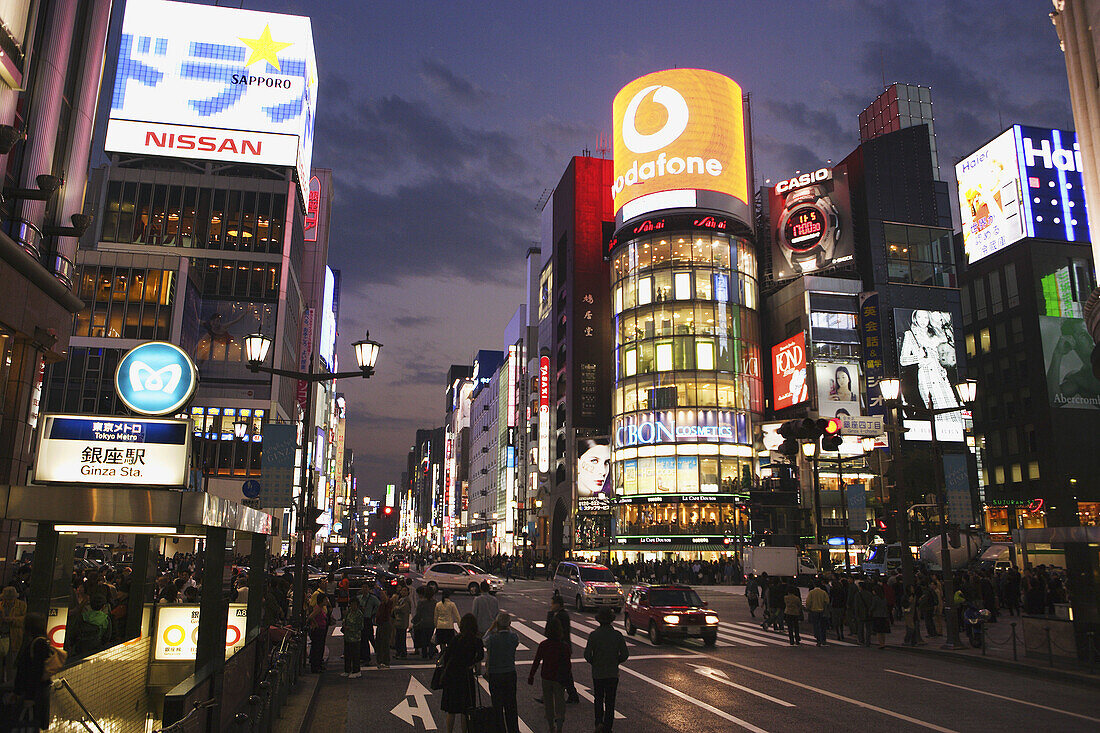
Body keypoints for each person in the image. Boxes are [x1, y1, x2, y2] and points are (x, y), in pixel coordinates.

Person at [584, 606, 629, 733]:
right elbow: (625, 654)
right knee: (610, 701)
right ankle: (608, 726)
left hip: (598, 673)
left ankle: (598, 722)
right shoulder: (617, 635)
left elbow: (587, 655)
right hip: (612, 673)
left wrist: (594, 662)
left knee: (598, 698)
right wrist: (616, 661)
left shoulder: (594, 635)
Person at [12, 613, 59, 731]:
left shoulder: (38, 643)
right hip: (37, 692)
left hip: (33, 694)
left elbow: (34, 672)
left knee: (28, 724)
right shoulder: (41, 642)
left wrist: (29, 697)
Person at [440, 613, 484, 733]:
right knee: (466, 710)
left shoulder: (456, 639)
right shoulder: (476, 640)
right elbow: (480, 656)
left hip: (453, 676)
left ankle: (449, 731)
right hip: (466, 676)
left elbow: (447, 655)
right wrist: (472, 663)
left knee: (451, 710)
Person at [528, 618, 570, 733]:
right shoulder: (564, 646)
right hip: (559, 678)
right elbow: (567, 664)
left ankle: (551, 726)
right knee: (560, 702)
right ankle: (560, 727)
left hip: (546, 677)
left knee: (548, 703)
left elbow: (537, 661)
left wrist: (531, 675)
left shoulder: (544, 645)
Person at [484, 612, 520, 733]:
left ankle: (500, 729)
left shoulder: (492, 639)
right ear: (509, 624)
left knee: (497, 705)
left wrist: (491, 628)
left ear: (497, 624)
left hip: (495, 674)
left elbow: (484, 640)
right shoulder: (514, 638)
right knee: (511, 704)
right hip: (510, 672)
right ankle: (513, 729)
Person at [544, 595, 578, 703]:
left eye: (553, 603)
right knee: (565, 672)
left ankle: (567, 694)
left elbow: (548, 631)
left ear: (558, 604)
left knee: (559, 672)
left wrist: (550, 616)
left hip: (560, 648)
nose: (551, 606)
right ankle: (572, 694)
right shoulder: (563, 615)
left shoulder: (560, 616)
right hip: (564, 647)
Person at [1, 585, 27, 683]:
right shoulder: (0, 605)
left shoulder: (21, 606)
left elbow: (24, 620)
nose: (7, 601)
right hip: (3, 636)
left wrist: (11, 619)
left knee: (11, 663)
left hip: (14, 637)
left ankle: (11, 684)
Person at [341, 596, 365, 678]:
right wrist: (344, 625)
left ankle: (356, 670)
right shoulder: (349, 612)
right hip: (347, 637)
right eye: (351, 604)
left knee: (355, 655)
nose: (353, 606)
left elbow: (360, 626)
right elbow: (345, 619)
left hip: (355, 637)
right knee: (347, 655)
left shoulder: (359, 614)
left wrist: (350, 628)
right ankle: (347, 670)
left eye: (354, 605)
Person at [358, 583, 380, 665]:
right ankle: (363, 656)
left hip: (368, 619)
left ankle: (368, 656)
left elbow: (378, 605)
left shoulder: (372, 598)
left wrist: (372, 613)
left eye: (366, 587)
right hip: (360, 619)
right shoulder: (359, 598)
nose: (364, 589)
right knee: (362, 639)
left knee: (368, 637)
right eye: (363, 587)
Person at [412, 586, 437, 658]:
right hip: (432, 622)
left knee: (424, 638)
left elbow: (418, 614)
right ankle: (431, 653)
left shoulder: (421, 602)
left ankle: (424, 654)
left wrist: (414, 621)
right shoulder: (435, 602)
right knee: (431, 638)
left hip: (423, 622)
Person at [307, 593, 329, 673]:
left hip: (321, 630)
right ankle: (315, 666)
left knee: (319, 648)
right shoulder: (318, 608)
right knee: (317, 648)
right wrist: (315, 624)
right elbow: (310, 617)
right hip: (318, 631)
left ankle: (318, 665)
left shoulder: (321, 608)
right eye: (325, 599)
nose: (327, 601)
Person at [375, 588, 395, 669]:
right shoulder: (381, 604)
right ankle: (380, 661)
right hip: (380, 624)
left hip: (385, 624)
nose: (382, 596)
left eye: (384, 594)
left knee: (385, 644)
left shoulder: (388, 603)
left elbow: (387, 611)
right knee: (379, 643)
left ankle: (385, 661)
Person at [806, 581, 830, 647]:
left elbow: (808, 602)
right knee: (823, 626)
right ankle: (823, 639)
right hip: (822, 610)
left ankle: (818, 639)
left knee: (816, 625)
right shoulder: (823, 592)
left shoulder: (811, 592)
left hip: (814, 610)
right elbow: (827, 601)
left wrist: (808, 608)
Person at [393, 585, 412, 659]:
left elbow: (403, 609)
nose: (403, 592)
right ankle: (398, 652)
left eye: (405, 591)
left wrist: (396, 608)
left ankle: (402, 653)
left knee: (401, 638)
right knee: (398, 638)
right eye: (402, 590)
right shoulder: (400, 599)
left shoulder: (407, 600)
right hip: (398, 621)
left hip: (403, 621)